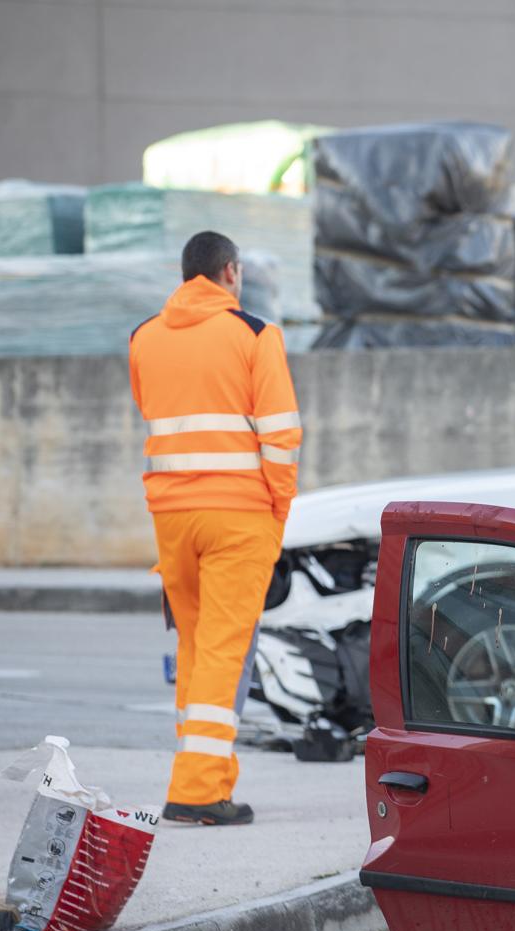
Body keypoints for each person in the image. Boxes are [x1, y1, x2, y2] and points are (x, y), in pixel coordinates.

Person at [129, 231, 302, 826]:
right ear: (230, 272)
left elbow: (155, 415)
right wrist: (278, 512)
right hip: (238, 518)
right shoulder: (256, 335)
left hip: (172, 519)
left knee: (199, 647)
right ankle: (199, 790)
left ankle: (204, 777)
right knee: (227, 650)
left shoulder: (144, 338)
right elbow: (281, 438)